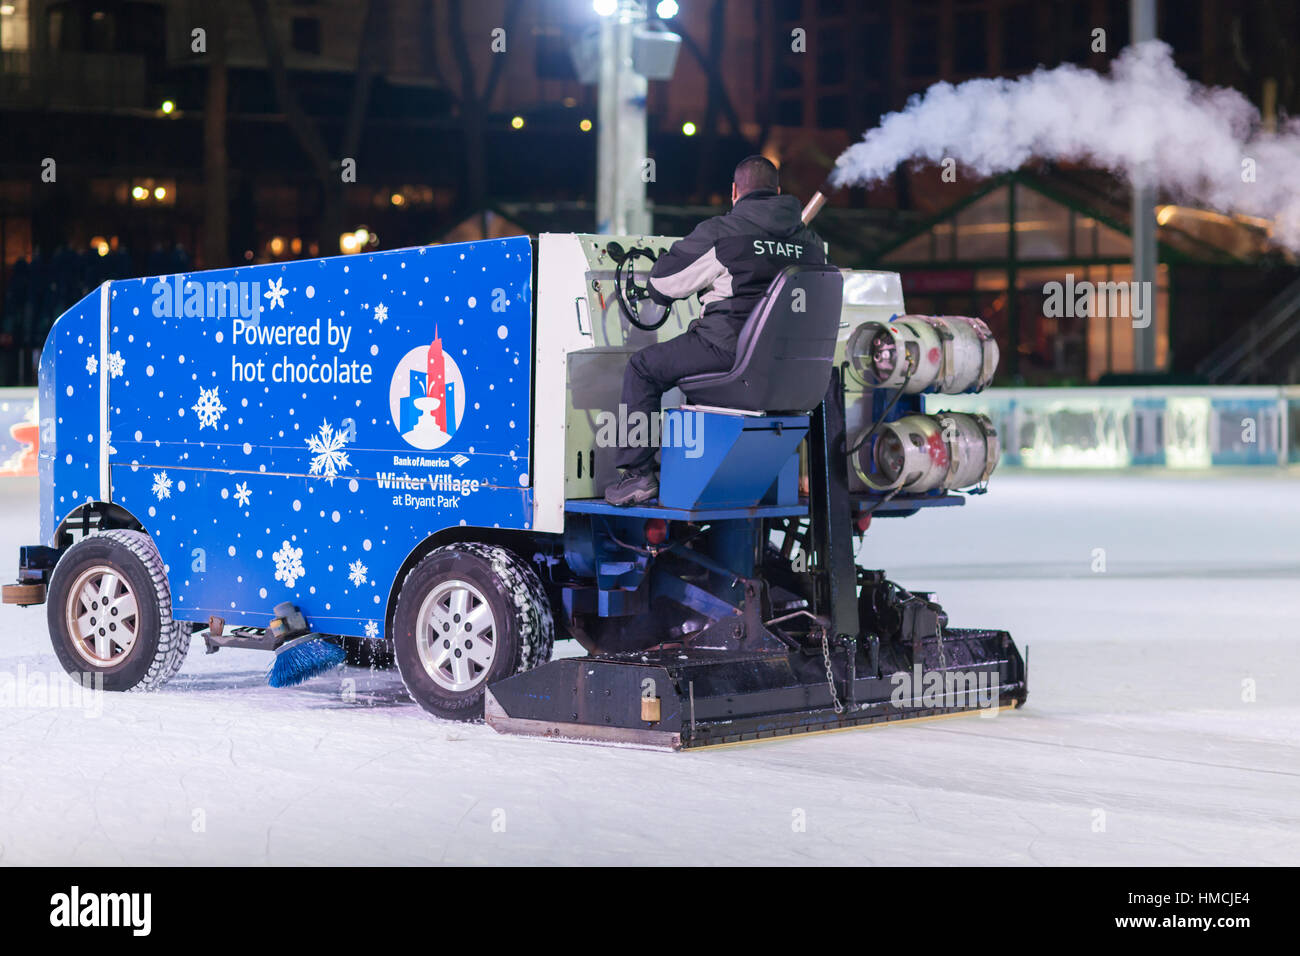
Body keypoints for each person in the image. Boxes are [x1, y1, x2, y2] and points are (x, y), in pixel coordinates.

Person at [605, 155, 829, 506]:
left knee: (643, 368)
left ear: (735, 192)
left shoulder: (722, 232)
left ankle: (636, 476)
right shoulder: (814, 242)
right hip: (794, 370)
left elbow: (663, 283)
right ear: (780, 192)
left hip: (728, 352)